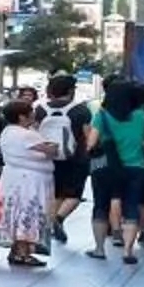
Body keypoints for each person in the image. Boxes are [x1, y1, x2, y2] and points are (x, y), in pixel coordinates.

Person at [91, 80, 144, 265]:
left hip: (106, 168)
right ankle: (128, 250)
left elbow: (91, 143)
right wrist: (138, 145)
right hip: (137, 168)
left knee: (101, 206)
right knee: (131, 206)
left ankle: (99, 249)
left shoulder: (102, 116)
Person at [0, 91, 59, 269]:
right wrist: (54, 146)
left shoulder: (7, 132)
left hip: (13, 178)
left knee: (15, 212)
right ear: (22, 116)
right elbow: (50, 150)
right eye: (30, 112)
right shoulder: (26, 134)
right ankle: (23, 253)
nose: (33, 115)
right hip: (31, 180)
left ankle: (16, 250)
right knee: (28, 212)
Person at [39, 72, 92, 247]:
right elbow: (88, 135)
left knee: (56, 193)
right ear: (71, 90)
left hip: (48, 156)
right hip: (75, 158)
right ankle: (59, 219)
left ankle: (50, 223)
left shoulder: (40, 108)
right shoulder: (80, 109)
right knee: (74, 194)